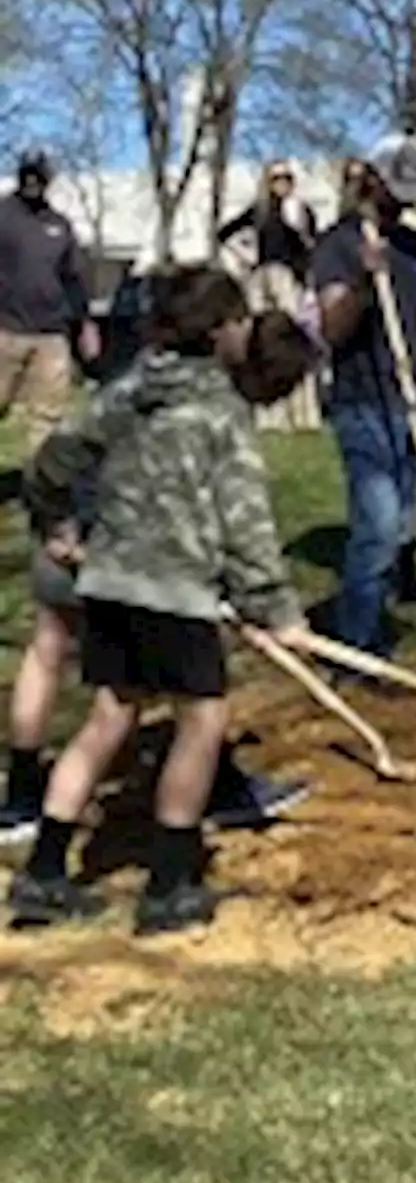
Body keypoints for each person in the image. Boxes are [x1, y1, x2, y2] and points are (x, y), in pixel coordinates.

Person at [9, 268, 308, 934]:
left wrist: (56, 523)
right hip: (176, 590)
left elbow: (54, 460)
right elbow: (245, 518)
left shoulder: (130, 389)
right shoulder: (220, 412)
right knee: (202, 721)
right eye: (238, 320)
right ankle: (169, 886)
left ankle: (44, 875)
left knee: (109, 717)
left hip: (109, 581)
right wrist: (276, 607)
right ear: (222, 329)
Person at [311, 134, 416, 654]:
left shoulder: (412, 243)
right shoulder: (338, 243)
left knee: (402, 528)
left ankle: (379, 618)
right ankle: (358, 642)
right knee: (378, 526)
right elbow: (332, 330)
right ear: (372, 182)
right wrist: (363, 281)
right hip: (361, 398)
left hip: (408, 399)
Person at [0, 149, 99, 450]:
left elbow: (74, 277)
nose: (32, 182)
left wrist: (85, 324)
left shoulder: (60, 225)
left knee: (47, 418)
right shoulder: (3, 216)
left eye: (39, 177)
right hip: (6, 329)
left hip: (52, 336)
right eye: (27, 175)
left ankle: (37, 488)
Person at [219, 161, 321, 433]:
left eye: (286, 178)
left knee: (292, 342)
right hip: (262, 276)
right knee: (261, 343)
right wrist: (243, 258)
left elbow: (312, 246)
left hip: (290, 278)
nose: (281, 184)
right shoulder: (260, 211)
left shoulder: (300, 211)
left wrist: (298, 231)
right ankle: (269, 415)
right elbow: (225, 232)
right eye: (276, 178)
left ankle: (303, 414)